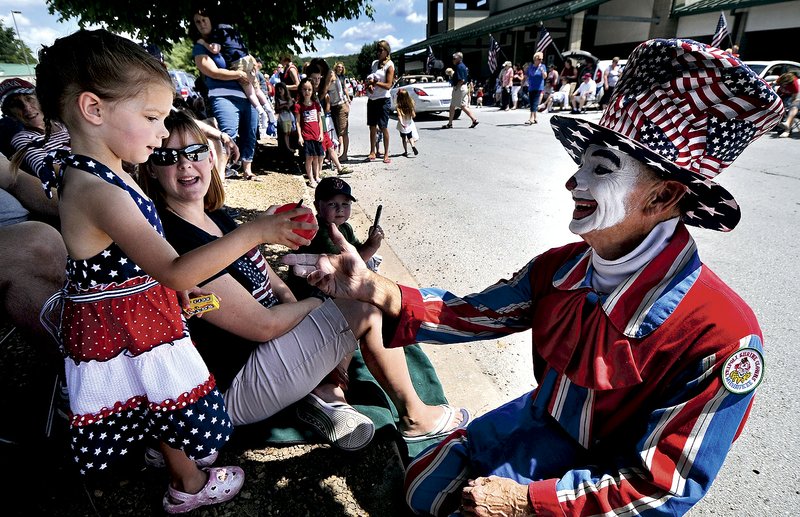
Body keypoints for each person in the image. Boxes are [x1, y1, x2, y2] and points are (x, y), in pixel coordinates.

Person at [284, 38, 782, 517]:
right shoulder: (562, 266)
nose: (572, 182)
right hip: (538, 417)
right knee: (423, 489)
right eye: (580, 164)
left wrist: (526, 504)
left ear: (661, 199)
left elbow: (662, 484)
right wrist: (374, 287)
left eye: (601, 169)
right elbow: (472, 314)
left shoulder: (723, 334)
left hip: (606, 472)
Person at [33, 29, 318, 513]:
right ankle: (187, 485)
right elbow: (175, 269)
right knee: (156, 394)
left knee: (154, 396)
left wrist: (168, 292)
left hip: (136, 309)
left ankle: (169, 454)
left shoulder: (111, 169)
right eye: (152, 118)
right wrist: (255, 232)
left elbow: (142, 260)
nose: (164, 134)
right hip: (121, 326)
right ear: (93, 110)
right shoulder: (96, 188)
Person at [139, 110, 471, 450]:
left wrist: (305, 308)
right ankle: (416, 417)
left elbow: (276, 285)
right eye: (168, 156)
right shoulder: (177, 243)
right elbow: (263, 326)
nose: (185, 165)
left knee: (345, 305)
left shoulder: (217, 218)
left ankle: (325, 392)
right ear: (150, 166)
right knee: (366, 308)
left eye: (194, 152)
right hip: (237, 385)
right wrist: (315, 305)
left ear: (210, 158)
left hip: (270, 352)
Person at [191, 7, 258, 180]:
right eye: (197, 21)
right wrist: (239, 74)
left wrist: (250, 71)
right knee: (227, 134)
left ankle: (247, 170)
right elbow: (211, 71)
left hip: (244, 94)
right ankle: (219, 176)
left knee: (250, 132)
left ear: (211, 20)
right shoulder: (200, 47)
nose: (201, 24)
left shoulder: (225, 40)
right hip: (222, 95)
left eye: (204, 19)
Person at [194, 20, 274, 138]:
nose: (202, 24)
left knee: (250, 92)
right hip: (248, 58)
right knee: (256, 89)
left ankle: (261, 111)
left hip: (238, 63)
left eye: (204, 20)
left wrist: (203, 43)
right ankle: (268, 108)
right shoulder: (233, 31)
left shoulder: (217, 32)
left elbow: (215, 50)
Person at [0, 78, 71, 180]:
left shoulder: (63, 123)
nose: (27, 108)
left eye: (29, 98)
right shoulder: (23, 138)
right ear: (10, 115)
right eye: (16, 104)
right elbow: (46, 167)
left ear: (40, 100)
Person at [366, 40, 395, 163]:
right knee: (372, 126)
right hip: (372, 99)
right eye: (377, 50)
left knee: (383, 126)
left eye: (380, 50)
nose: (378, 52)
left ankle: (386, 154)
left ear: (386, 51)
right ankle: (372, 151)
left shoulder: (390, 65)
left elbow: (388, 85)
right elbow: (371, 78)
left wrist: (375, 83)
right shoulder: (375, 63)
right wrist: (370, 86)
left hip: (383, 99)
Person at [295, 77, 324, 187]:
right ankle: (310, 178)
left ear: (313, 90)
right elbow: (297, 122)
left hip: (316, 135)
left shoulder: (316, 104)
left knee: (317, 157)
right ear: (301, 90)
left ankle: (317, 176)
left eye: (309, 89)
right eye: (304, 89)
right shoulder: (298, 106)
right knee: (309, 158)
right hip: (306, 135)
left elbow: (319, 120)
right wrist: (300, 136)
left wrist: (321, 133)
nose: (307, 92)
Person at [442, 52, 479, 129]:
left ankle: (450, 123)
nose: (453, 60)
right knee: (461, 106)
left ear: (459, 58)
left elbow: (461, 80)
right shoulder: (463, 66)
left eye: (454, 58)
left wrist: (456, 87)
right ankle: (474, 120)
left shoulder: (459, 67)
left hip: (460, 87)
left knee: (453, 106)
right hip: (464, 87)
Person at [331, 62, 351, 161]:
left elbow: (345, 88)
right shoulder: (332, 76)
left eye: (341, 67)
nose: (340, 68)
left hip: (341, 104)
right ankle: (338, 152)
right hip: (333, 105)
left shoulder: (342, 77)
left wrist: (348, 99)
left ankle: (344, 154)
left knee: (343, 132)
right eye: (338, 67)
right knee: (337, 131)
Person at [524, 52, 547, 125]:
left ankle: (531, 118)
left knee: (534, 102)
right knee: (531, 102)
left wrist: (542, 71)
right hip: (531, 86)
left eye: (541, 59)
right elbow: (526, 75)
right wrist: (522, 84)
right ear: (535, 59)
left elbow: (545, 76)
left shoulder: (542, 66)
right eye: (539, 59)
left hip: (539, 87)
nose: (541, 61)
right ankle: (535, 117)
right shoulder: (531, 67)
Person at [395, 89, 419, 157]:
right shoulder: (410, 106)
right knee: (410, 137)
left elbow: (399, 116)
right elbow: (414, 115)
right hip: (409, 124)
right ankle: (413, 146)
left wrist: (402, 123)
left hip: (402, 125)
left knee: (403, 138)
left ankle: (405, 151)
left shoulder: (399, 107)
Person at [775, 72, 798, 138]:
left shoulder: (794, 85)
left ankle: (786, 128)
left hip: (789, 96)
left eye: (785, 84)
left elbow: (794, 98)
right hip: (779, 93)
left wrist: (787, 107)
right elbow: (774, 83)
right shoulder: (781, 79)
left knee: (788, 105)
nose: (783, 85)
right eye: (782, 83)